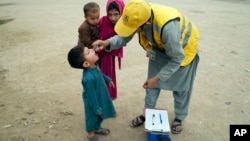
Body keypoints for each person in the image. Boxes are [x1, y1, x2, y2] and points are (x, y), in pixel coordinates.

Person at [92, 0, 200, 134]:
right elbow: (124, 37)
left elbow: (177, 58)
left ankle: (179, 117)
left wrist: (158, 77)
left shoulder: (168, 28)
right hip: (160, 48)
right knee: (151, 87)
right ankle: (148, 114)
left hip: (183, 52)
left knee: (180, 89)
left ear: (146, 24)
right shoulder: (138, 14)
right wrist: (107, 42)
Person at [67, 45, 116, 141]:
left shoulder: (94, 66)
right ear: (86, 64)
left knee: (101, 115)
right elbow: (91, 96)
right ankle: (90, 133)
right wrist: (96, 108)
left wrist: (107, 79)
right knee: (92, 117)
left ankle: (97, 128)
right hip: (92, 103)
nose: (92, 50)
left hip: (101, 96)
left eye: (89, 49)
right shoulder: (88, 78)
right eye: (88, 52)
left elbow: (100, 74)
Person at [98, 0, 125, 100]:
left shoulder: (123, 25)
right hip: (96, 53)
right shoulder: (102, 21)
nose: (113, 18)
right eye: (110, 14)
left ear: (121, 12)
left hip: (108, 55)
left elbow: (121, 41)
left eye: (116, 14)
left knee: (108, 75)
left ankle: (108, 97)